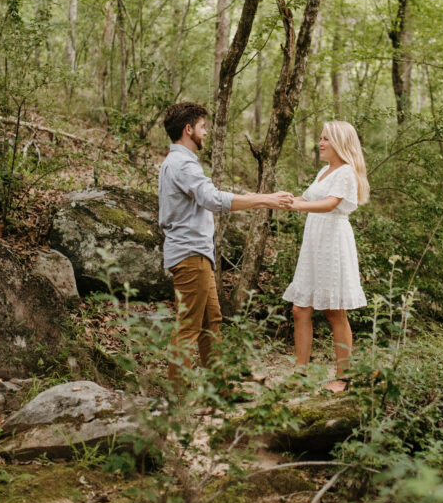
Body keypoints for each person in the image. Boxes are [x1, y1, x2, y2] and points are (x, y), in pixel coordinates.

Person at [158, 102, 294, 384]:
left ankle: (218, 390)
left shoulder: (179, 162)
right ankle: (176, 400)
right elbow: (214, 199)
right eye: (203, 127)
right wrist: (265, 199)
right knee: (188, 326)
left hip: (196, 254)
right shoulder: (182, 164)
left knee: (211, 322)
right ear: (188, 129)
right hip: (189, 255)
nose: (205, 132)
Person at [283, 120, 370, 393]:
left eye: (326, 139)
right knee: (300, 309)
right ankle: (300, 374)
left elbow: (330, 203)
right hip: (314, 241)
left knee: (334, 310)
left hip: (333, 241)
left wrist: (300, 206)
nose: (320, 143)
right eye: (321, 138)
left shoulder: (345, 172)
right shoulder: (324, 170)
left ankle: (344, 377)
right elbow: (311, 199)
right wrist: (286, 199)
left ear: (341, 144)